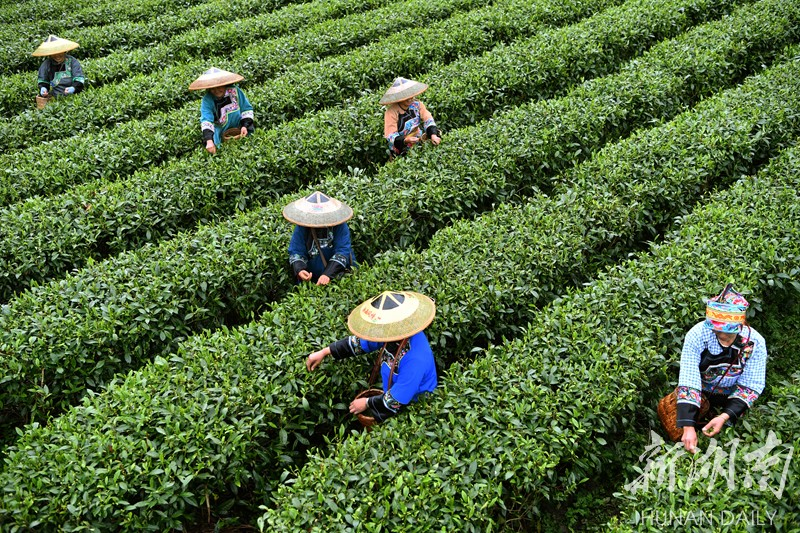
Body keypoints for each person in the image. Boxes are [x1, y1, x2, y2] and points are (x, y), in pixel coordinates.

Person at [306, 290, 438, 422]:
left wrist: (367, 403)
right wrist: (324, 351)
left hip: (413, 407)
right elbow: (361, 343)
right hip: (394, 390)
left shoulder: (416, 359)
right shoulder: (393, 332)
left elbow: (397, 399)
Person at [675, 283, 767, 453]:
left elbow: (751, 384)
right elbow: (689, 376)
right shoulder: (697, 334)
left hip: (730, 394)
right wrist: (688, 426)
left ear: (740, 326)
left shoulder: (756, 343)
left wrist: (725, 416)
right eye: (718, 334)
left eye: (728, 336)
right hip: (700, 392)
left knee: (727, 442)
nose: (723, 339)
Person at [283, 191, 355, 285]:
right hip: (313, 278)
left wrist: (327, 274)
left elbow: (342, 251)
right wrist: (300, 269)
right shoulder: (302, 226)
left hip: (338, 276)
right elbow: (296, 250)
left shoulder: (339, 224)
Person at [188, 68, 254, 154]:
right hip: (220, 130)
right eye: (213, 88)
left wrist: (245, 126)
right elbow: (206, 120)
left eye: (219, 86)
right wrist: (209, 141)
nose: (216, 91)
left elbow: (246, 108)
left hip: (239, 125)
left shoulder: (235, 91)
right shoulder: (207, 99)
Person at [381, 77, 441, 158]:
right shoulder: (391, 112)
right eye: (406, 96)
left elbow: (428, 119)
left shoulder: (417, 104)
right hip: (401, 148)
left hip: (418, 140)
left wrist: (433, 134)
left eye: (411, 94)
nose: (410, 98)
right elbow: (390, 135)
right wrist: (405, 140)